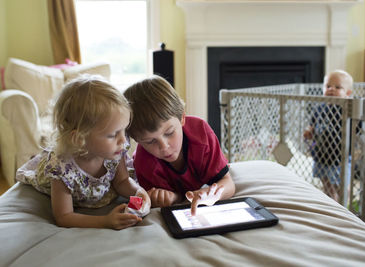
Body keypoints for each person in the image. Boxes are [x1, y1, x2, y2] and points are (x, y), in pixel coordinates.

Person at [16, 75, 150, 230]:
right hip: (58, 177)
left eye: (124, 130)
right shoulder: (61, 169)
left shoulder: (114, 151)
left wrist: (139, 192)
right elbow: (64, 217)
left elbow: (121, 181)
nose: (124, 141)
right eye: (113, 134)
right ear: (80, 138)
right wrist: (105, 221)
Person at [123, 75, 236, 215]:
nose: (164, 146)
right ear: (137, 140)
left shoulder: (201, 134)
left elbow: (228, 183)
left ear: (182, 118)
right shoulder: (144, 161)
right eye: (150, 141)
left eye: (169, 132)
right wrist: (171, 198)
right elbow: (146, 200)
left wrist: (213, 194)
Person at [303, 70, 365, 202]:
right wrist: (308, 131)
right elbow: (312, 124)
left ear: (348, 94)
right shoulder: (319, 108)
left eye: (338, 87)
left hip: (340, 159)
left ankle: (345, 206)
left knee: (342, 187)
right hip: (320, 156)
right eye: (328, 86)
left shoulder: (348, 110)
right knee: (327, 187)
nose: (331, 89)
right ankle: (332, 205)